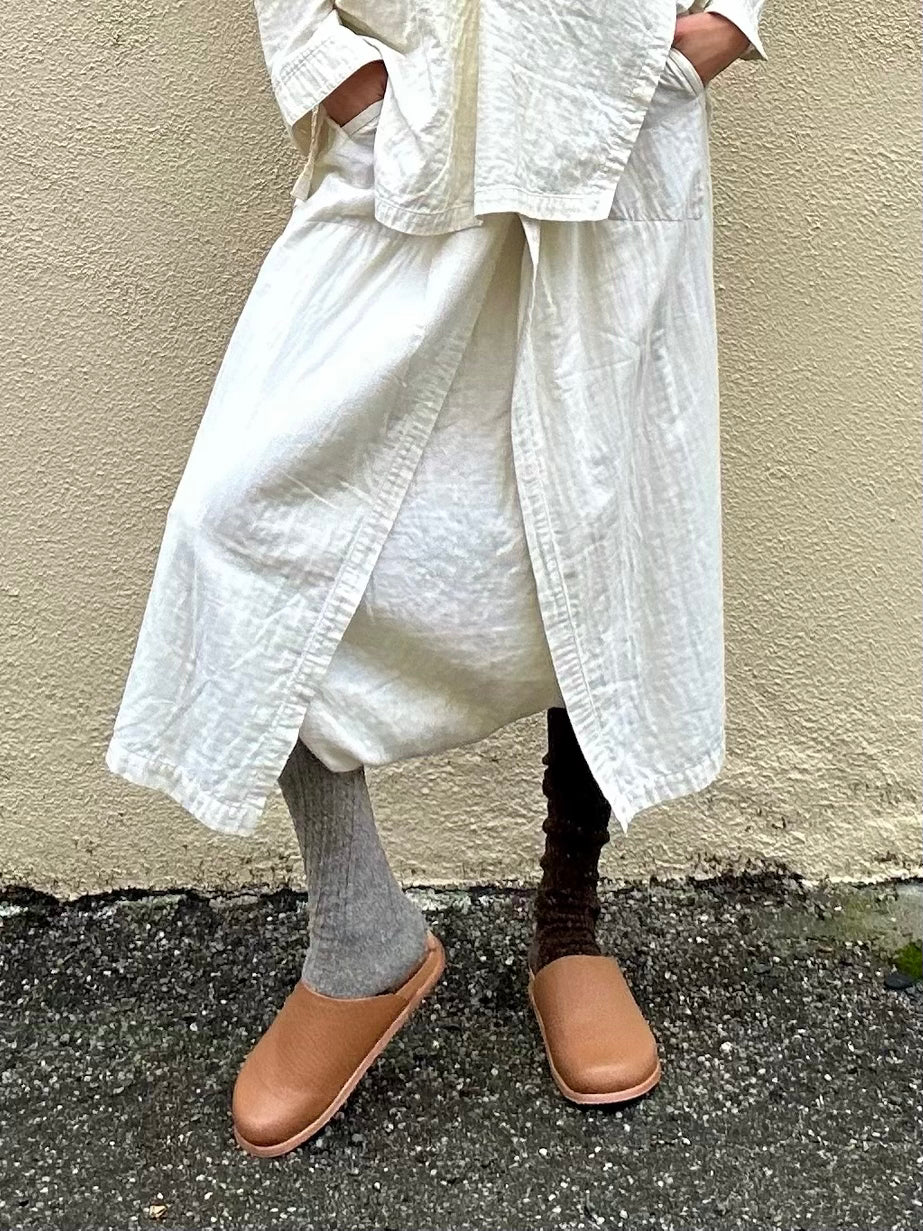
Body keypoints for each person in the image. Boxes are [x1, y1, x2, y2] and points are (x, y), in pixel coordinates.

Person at [104, 0, 768, 1156]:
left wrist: (705, 36)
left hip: (613, 128)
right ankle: (359, 928)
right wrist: (354, 92)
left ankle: (568, 926)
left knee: (591, 525)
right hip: (408, 140)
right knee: (240, 525)